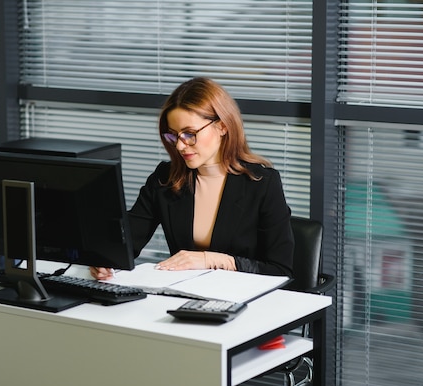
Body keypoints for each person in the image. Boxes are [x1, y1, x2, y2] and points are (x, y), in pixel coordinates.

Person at [91, 77, 294, 280]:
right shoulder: (165, 178)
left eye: (189, 134)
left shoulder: (262, 184)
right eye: (173, 136)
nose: (179, 146)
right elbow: (128, 241)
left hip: (244, 301)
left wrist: (210, 260)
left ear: (222, 126)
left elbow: (279, 270)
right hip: (181, 298)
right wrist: (106, 260)